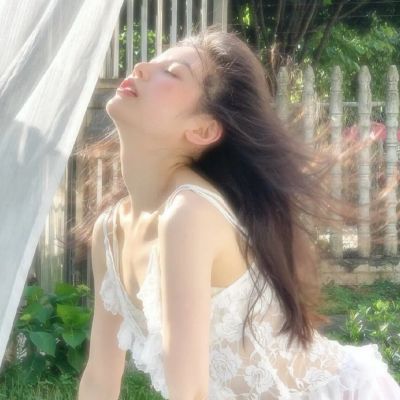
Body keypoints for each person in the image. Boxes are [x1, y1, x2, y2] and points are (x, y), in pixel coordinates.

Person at [77, 25, 400, 399]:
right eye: (154, 60)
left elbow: (190, 392)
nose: (141, 67)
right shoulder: (110, 230)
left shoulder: (189, 213)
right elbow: (100, 378)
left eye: (173, 72)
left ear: (203, 130)